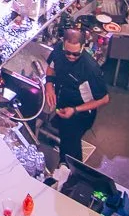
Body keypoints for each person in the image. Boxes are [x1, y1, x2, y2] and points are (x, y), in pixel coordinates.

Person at [44, 25, 109, 163]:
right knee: (66, 139)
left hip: (81, 114)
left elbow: (104, 99)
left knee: (69, 151)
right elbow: (51, 68)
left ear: (82, 48)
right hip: (63, 103)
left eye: (75, 54)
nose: (71, 56)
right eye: (68, 53)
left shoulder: (90, 69)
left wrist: (74, 110)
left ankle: (69, 171)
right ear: (63, 45)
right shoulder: (59, 50)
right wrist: (49, 86)